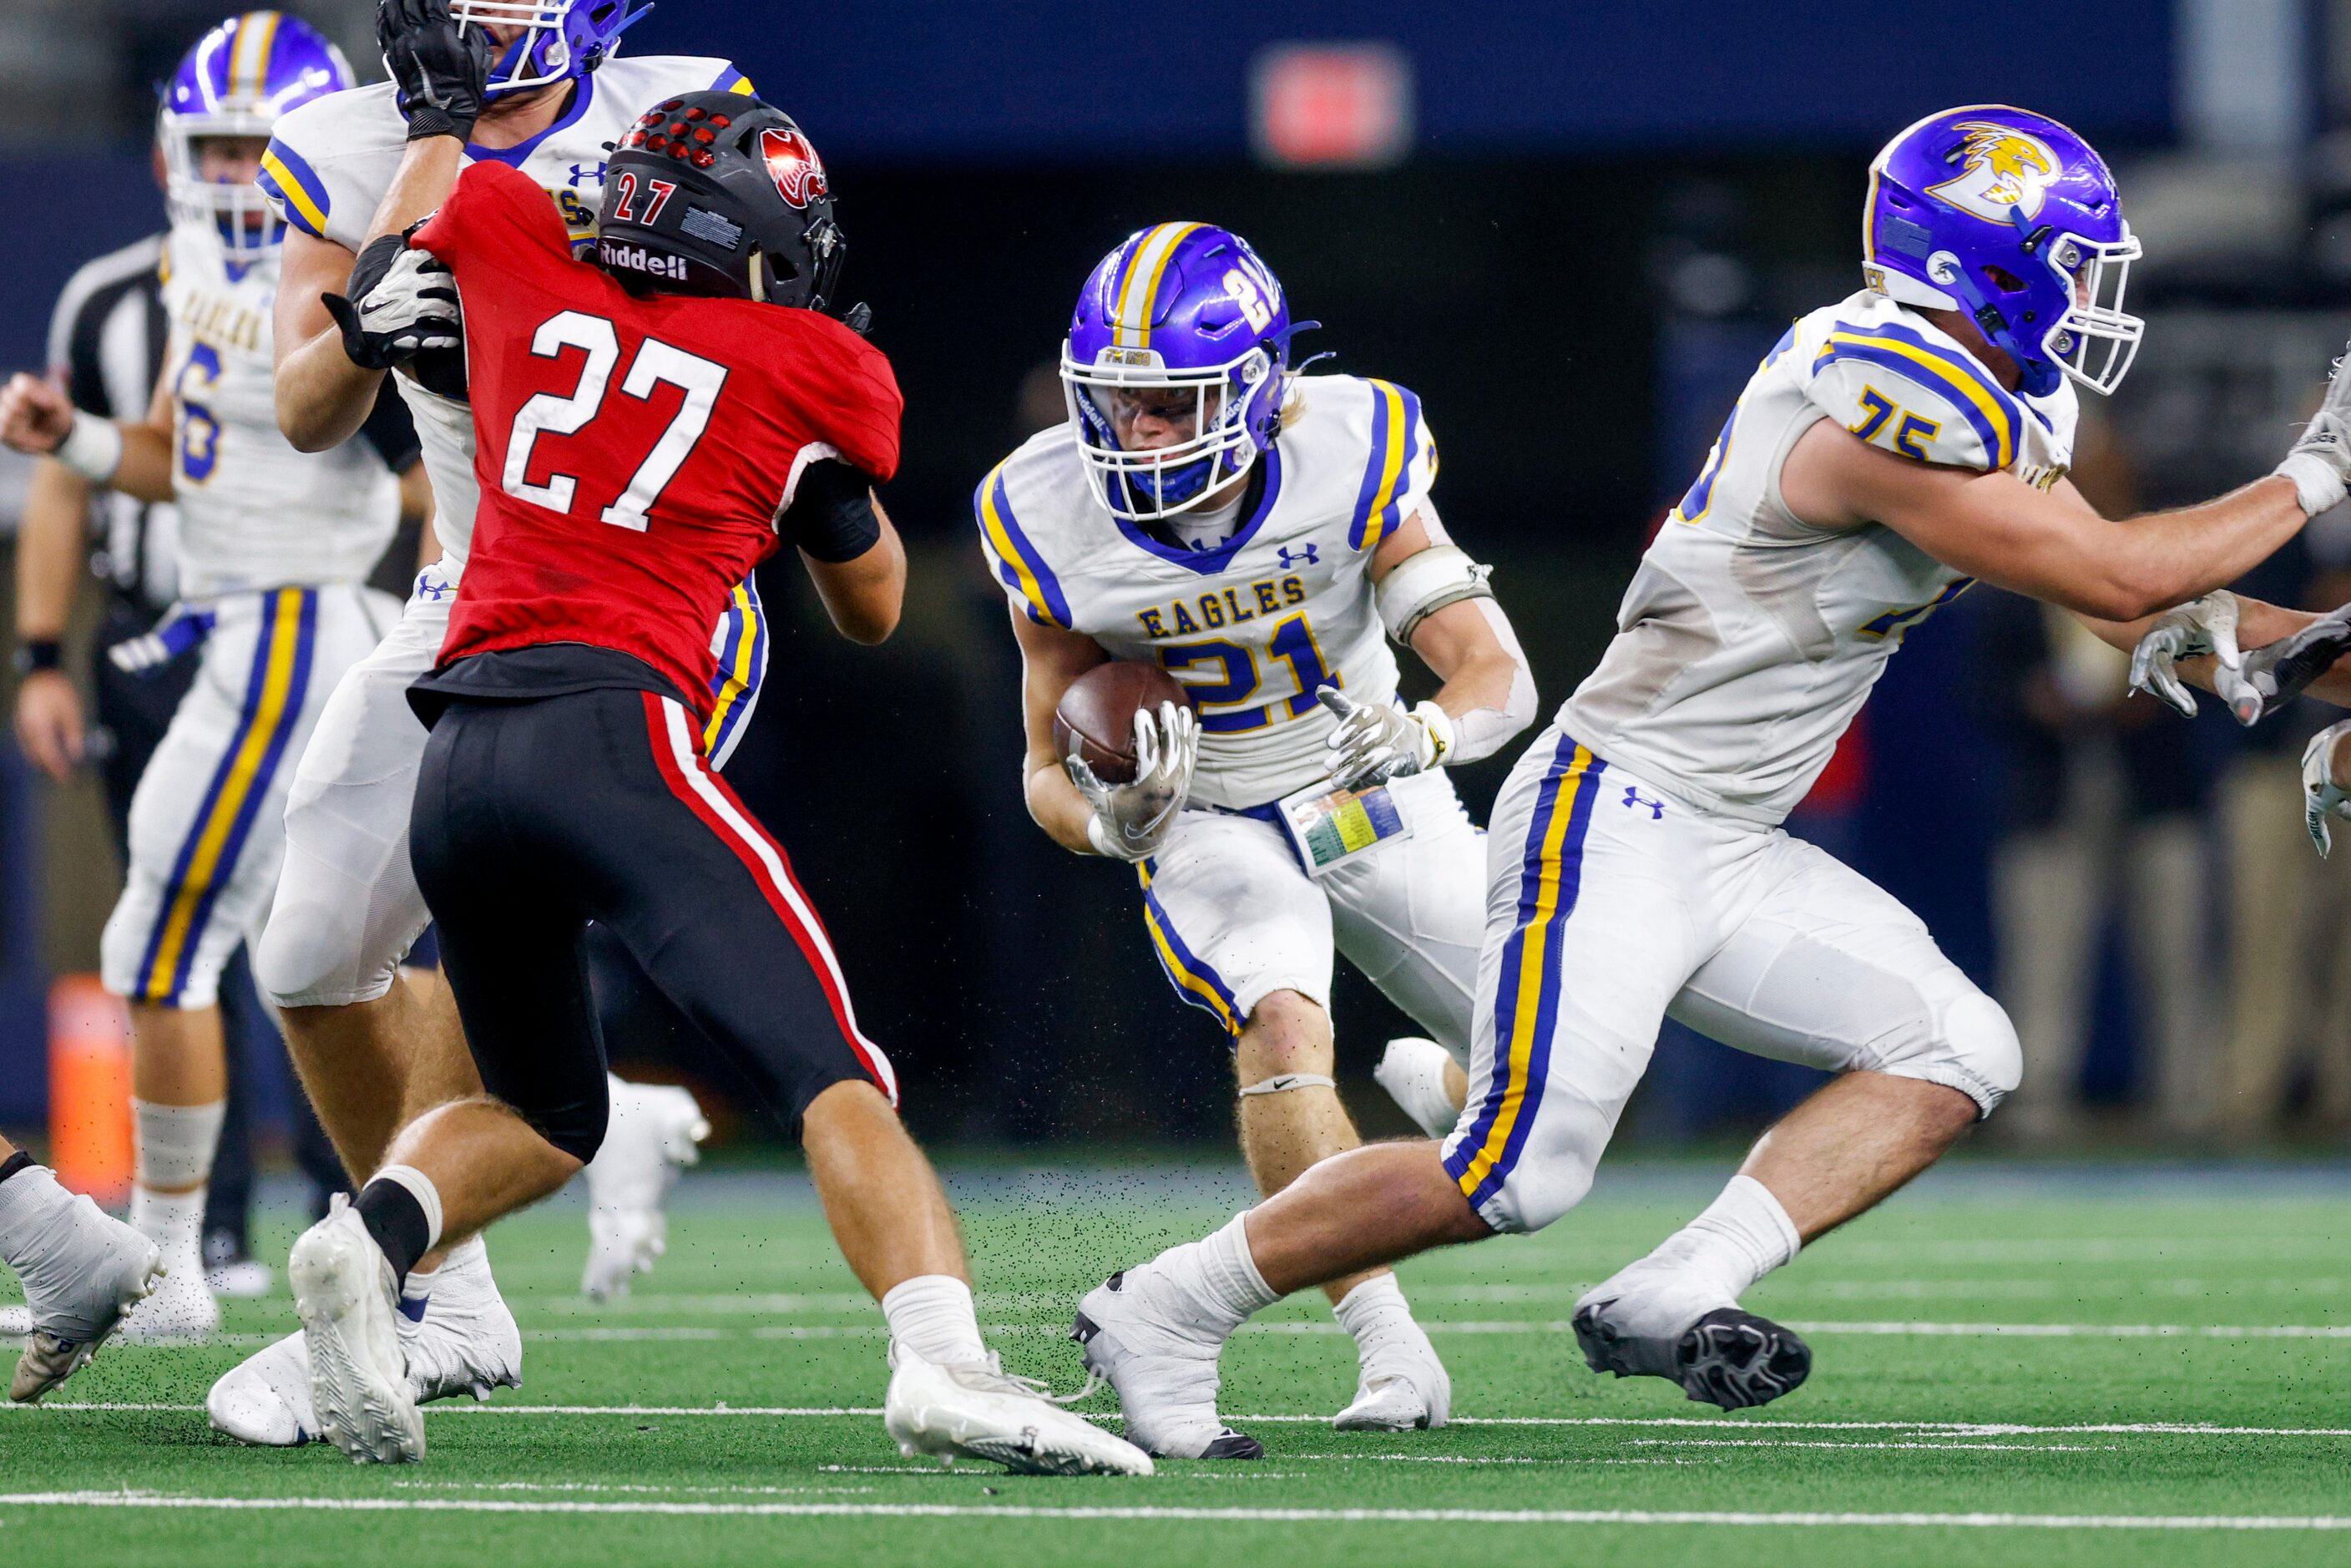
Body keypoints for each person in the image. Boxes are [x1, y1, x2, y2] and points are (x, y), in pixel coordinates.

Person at [1064, 104, 2351, 1457]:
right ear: (1992, 262)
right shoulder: (1870, 396)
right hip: (1612, 810)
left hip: (1727, 837)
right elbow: (2124, 577)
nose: (2093, 293)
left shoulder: (1998, 391)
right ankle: (1164, 1304)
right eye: (2073, 261)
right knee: (1520, 1174)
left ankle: (1675, 1286)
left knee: (1960, 1048)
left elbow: (2135, 613)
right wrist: (2315, 470)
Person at [281, 92, 1150, 1475]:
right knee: (836, 1072)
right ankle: (945, 1359)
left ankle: (366, 1237)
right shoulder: (810, 363)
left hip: (460, 759)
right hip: (615, 734)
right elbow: (870, 609)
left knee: (551, 1111)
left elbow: (451, 235)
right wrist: (816, 481)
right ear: (755, 241)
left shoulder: (505, 241)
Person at [206, 0, 760, 1442]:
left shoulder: (682, 108)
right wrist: (392, 281)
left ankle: (389, 1291)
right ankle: (448, 1298)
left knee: (491, 908)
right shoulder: (348, 141)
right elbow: (309, 409)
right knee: (313, 948)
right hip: (467, 589)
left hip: (647, 597)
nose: (469, 13)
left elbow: (759, 352)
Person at [978, 223, 1537, 1448]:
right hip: (1209, 811)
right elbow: (1041, 770)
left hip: (1363, 784)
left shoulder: (1354, 448)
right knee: (1283, 1021)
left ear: (1258, 386)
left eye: (1172, 405)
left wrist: (1432, 731)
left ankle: (1440, 1084)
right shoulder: (1045, 507)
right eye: (1117, 407)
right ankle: (1389, 1347)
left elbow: (1495, 670)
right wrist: (1111, 820)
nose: (1141, 436)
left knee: (1556, 1089)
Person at [0, 13, 423, 1343]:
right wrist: (75, 441)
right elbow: (187, 468)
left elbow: (426, 470)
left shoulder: (348, 285)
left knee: (237, 949)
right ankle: (192, 1259)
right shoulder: (191, 279)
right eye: (218, 150)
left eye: (265, 150)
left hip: (299, 625)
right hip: (236, 619)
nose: (241, 178)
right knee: (235, 950)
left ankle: (237, 1262)